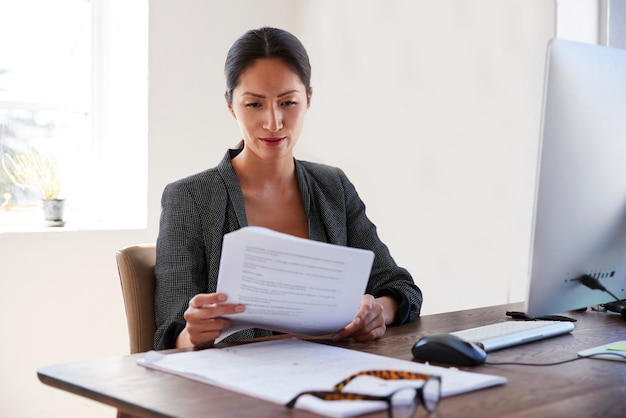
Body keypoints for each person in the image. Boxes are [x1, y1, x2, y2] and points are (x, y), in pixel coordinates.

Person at [154, 27, 423, 350]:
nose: (274, 122)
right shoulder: (190, 198)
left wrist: (378, 311)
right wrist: (191, 334)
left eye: (288, 102)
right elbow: (171, 331)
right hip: (233, 390)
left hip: (331, 377)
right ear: (230, 105)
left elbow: (400, 286)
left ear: (308, 99)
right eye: (254, 104)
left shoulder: (332, 187)